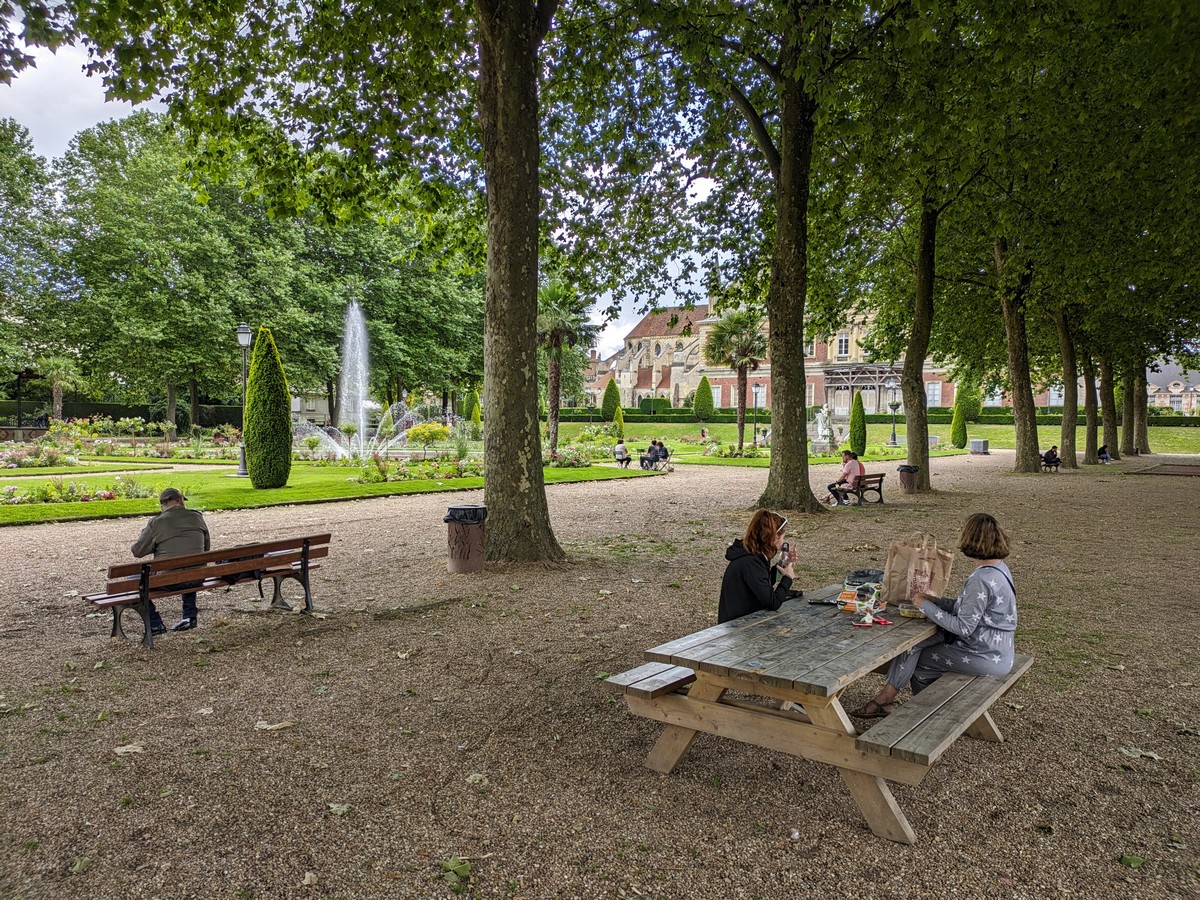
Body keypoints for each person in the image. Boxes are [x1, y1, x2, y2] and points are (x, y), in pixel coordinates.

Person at [851, 513, 1017, 718]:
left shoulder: (981, 579)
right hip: (998, 650)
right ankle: (887, 700)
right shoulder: (999, 568)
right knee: (914, 647)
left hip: (984, 654)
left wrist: (924, 606)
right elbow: (971, 609)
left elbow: (963, 627)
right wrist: (937, 601)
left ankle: (931, 714)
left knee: (918, 660)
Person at [131, 487, 211, 633]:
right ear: (180, 500)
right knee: (190, 564)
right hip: (198, 577)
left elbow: (137, 551)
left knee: (131, 581)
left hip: (168, 581)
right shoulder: (197, 517)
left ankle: (155, 623)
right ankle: (189, 616)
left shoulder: (157, 522)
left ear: (163, 504)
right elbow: (206, 548)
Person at [717, 509, 796, 623]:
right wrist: (787, 578)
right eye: (783, 537)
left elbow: (761, 583)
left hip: (743, 619)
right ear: (775, 538)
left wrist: (782, 564)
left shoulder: (753, 554)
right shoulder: (751, 563)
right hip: (737, 626)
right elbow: (772, 602)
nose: (784, 541)